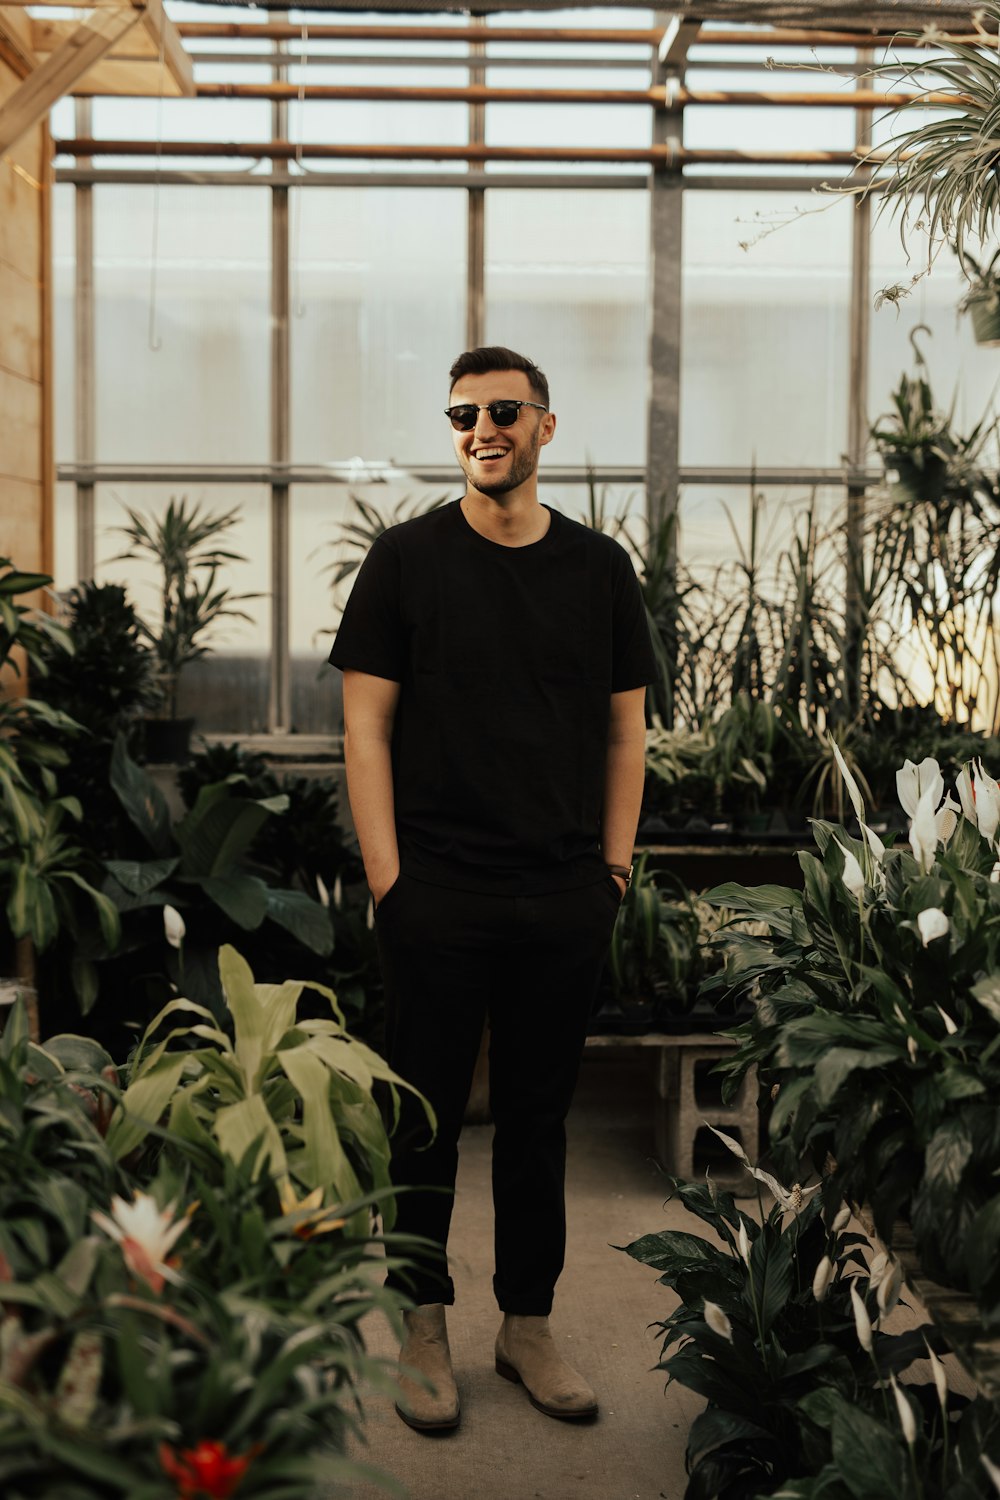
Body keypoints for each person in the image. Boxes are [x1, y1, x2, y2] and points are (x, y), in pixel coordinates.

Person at [328, 346, 656, 1432]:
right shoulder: (405, 562)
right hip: (436, 891)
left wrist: (610, 869)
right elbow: (364, 728)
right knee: (419, 1120)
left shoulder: (599, 570)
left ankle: (526, 1326)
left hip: (562, 890)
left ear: (545, 428)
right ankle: (421, 1321)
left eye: (503, 410)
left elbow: (624, 729)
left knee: (535, 1119)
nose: (482, 428)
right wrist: (390, 881)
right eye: (463, 413)